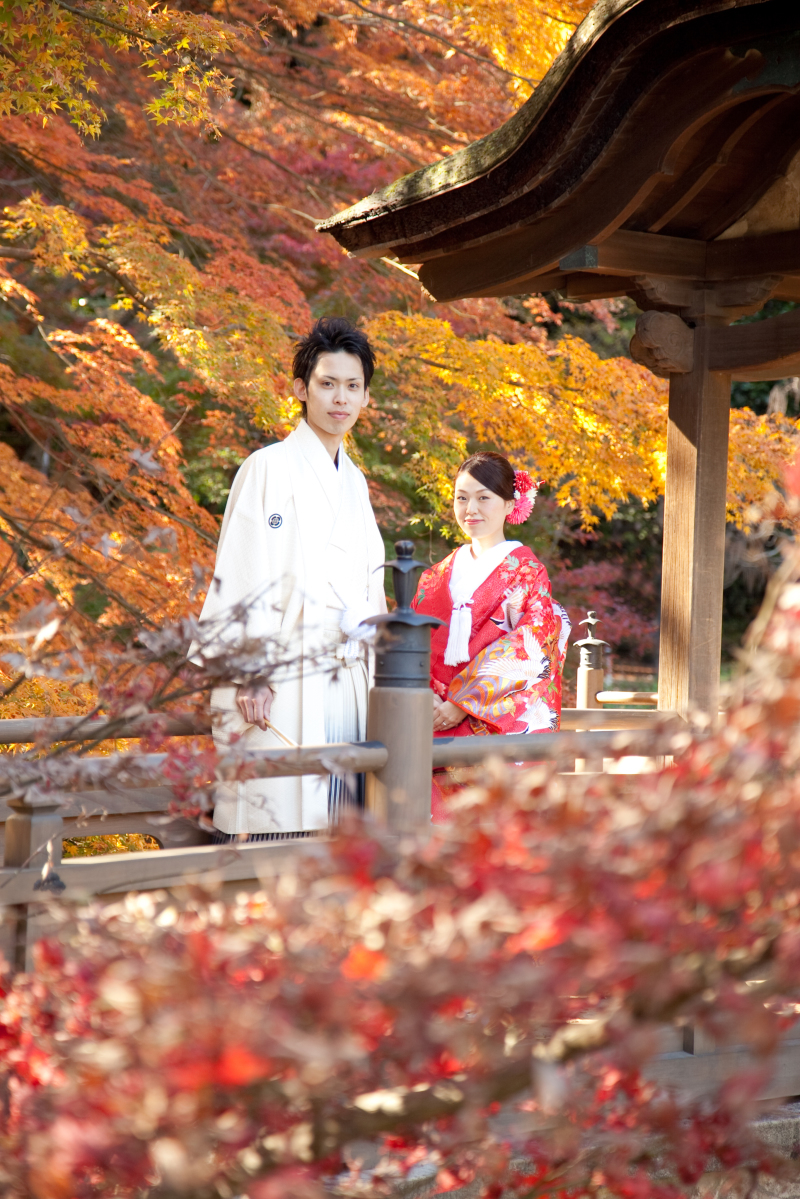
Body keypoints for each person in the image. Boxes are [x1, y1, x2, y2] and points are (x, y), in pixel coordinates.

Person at [197, 316, 386, 839]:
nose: (340, 399)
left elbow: (372, 585)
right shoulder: (268, 467)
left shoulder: (355, 482)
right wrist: (248, 669)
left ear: (366, 397)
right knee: (275, 822)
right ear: (302, 390)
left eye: (353, 386)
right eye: (327, 384)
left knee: (339, 829)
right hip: (280, 676)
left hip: (346, 674)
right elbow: (241, 573)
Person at [411, 452, 570, 816]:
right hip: (432, 719)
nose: (471, 508)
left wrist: (462, 702)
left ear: (510, 504)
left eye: (484, 497)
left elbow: (533, 646)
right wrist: (426, 698)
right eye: (461, 497)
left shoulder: (528, 572)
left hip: (488, 725)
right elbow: (411, 645)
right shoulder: (434, 576)